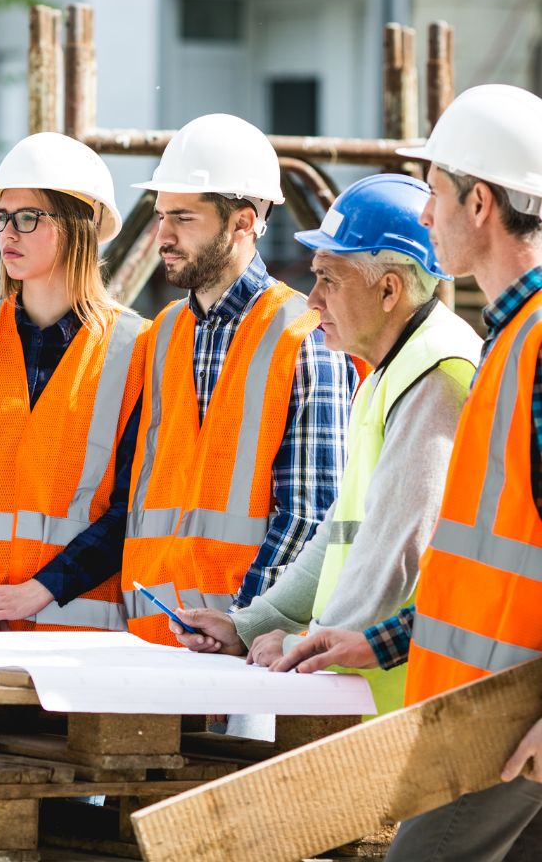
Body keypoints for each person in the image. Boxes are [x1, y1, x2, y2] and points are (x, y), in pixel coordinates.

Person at [275, 84, 542, 859]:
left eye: (435, 193)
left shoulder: (529, 346)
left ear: (481, 204)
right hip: (487, 710)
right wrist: (380, 641)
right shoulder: (510, 343)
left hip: (501, 719)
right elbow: (478, 574)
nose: (426, 216)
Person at [168, 174, 480, 715]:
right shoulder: (393, 370)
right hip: (380, 697)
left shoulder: (435, 374)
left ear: (389, 289)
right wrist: (253, 625)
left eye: (329, 280)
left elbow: (396, 553)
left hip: (416, 707)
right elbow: (340, 536)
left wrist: (307, 642)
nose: (312, 301)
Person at [121, 113, 356, 647]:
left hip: (250, 648)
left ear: (243, 222)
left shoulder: (304, 336)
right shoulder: (162, 335)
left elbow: (309, 514)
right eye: (161, 216)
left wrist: (244, 623)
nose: (163, 236)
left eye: (183, 217)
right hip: (151, 639)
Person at [0, 131, 148, 632]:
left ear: (78, 225)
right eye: (1, 217)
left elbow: (132, 508)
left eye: (28, 218)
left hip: (77, 642)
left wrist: (36, 593)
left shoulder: (139, 349)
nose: (7, 235)